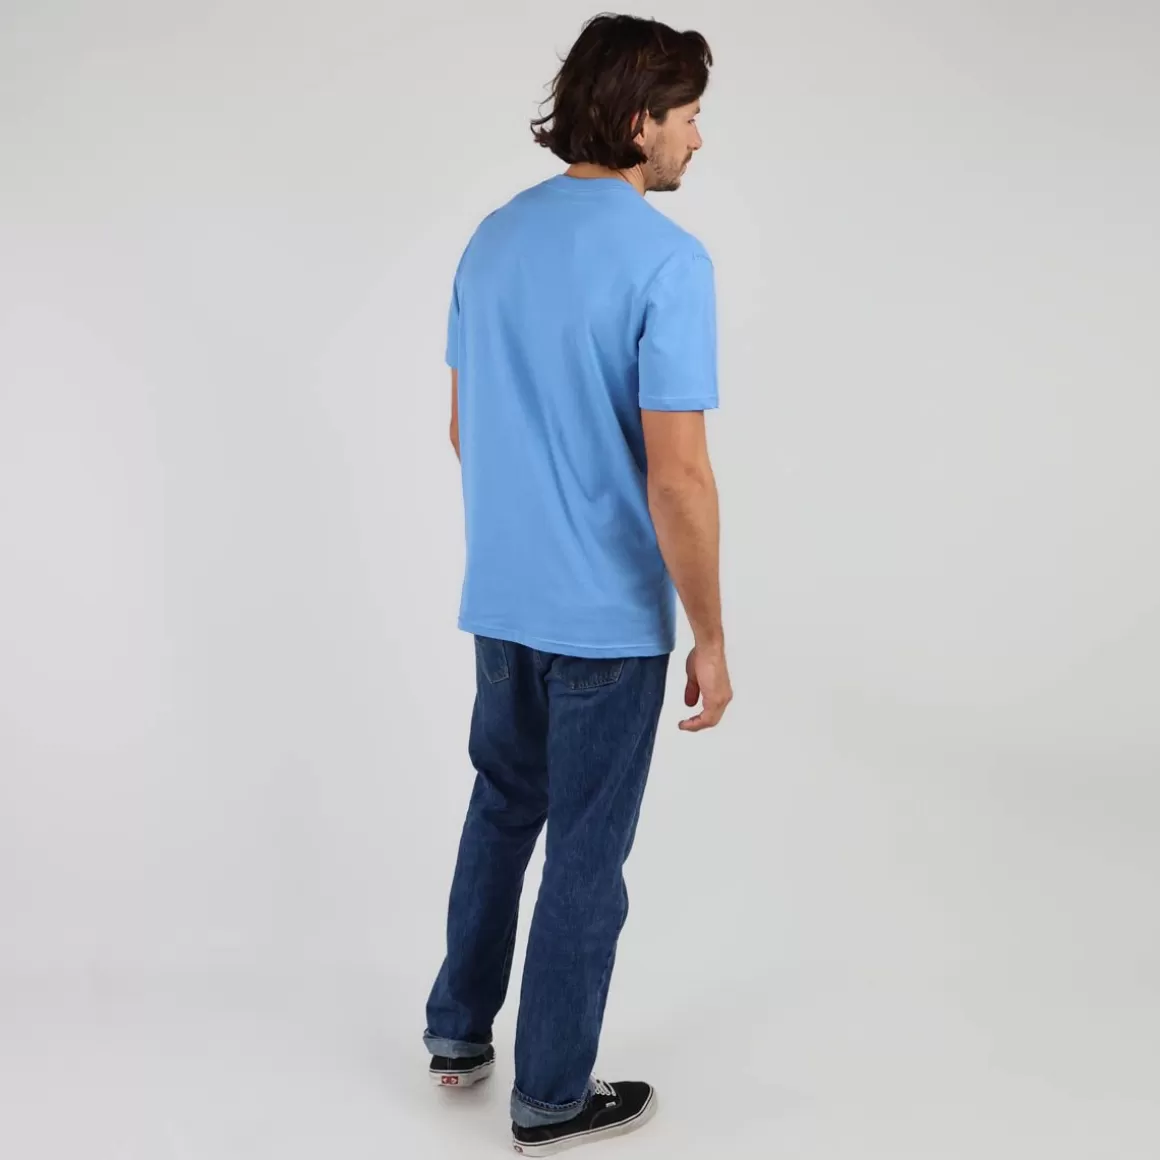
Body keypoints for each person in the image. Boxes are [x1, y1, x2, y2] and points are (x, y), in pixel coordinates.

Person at [422, 13, 731, 1155]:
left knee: (501, 807)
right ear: (639, 120)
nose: (698, 139)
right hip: (604, 619)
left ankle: (457, 1032)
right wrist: (709, 633)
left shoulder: (493, 239)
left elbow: (464, 429)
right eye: (688, 116)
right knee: (587, 856)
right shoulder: (667, 261)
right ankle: (551, 1093)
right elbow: (679, 476)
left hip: (501, 602)